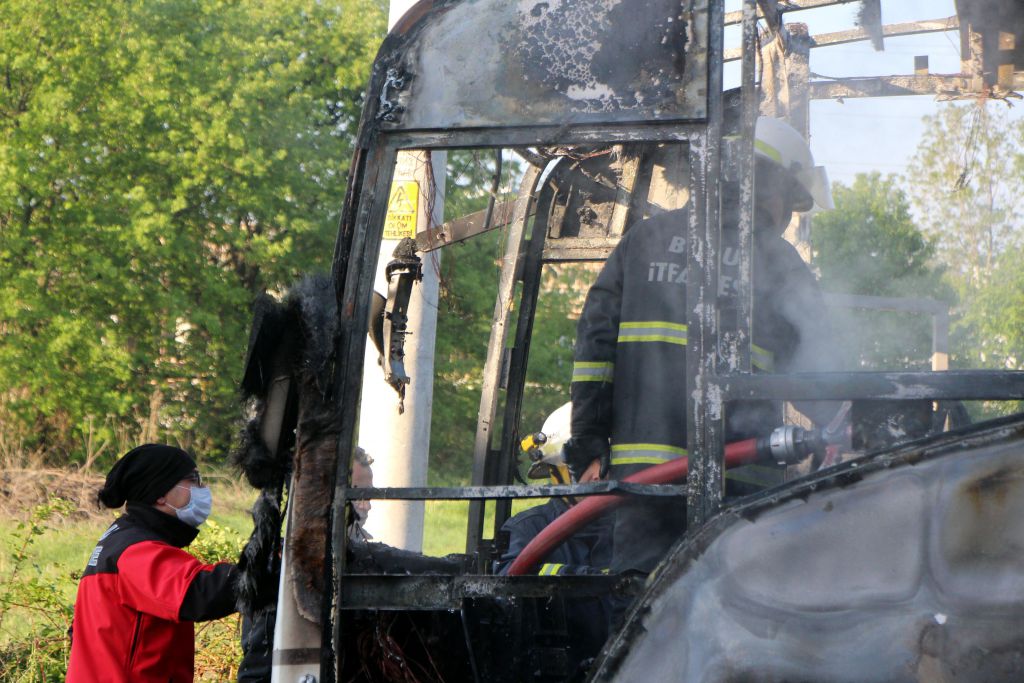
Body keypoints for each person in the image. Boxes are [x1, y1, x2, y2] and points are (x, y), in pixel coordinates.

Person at [564, 116, 836, 577]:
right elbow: (820, 366)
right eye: (788, 202)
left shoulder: (643, 241)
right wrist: (848, 424)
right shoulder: (777, 261)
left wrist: (588, 444)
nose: (787, 219)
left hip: (642, 484)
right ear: (761, 185)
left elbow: (595, 350)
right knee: (734, 613)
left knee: (641, 611)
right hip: (739, 484)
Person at [66, 444, 238, 683]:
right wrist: (266, 569)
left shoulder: (119, 539)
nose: (203, 489)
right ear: (160, 493)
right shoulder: (137, 550)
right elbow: (199, 593)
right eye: (194, 479)